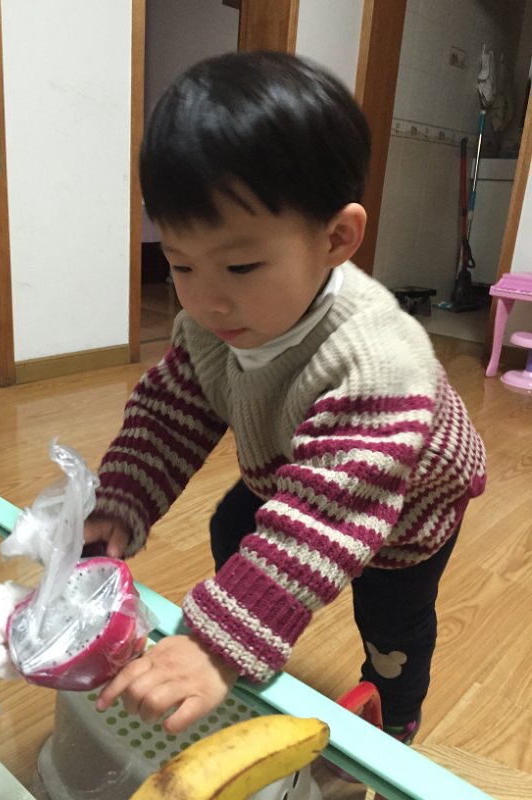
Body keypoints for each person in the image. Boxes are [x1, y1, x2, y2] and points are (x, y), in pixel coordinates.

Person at [84, 51, 486, 749]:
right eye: (180, 264)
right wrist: (120, 502)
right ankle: (252, 616)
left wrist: (215, 642)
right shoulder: (213, 324)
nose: (208, 299)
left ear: (336, 239)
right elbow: (167, 419)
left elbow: (325, 517)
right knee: (233, 525)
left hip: (402, 513)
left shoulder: (379, 362)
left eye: (241, 265)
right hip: (294, 469)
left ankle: (394, 713)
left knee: (393, 626)